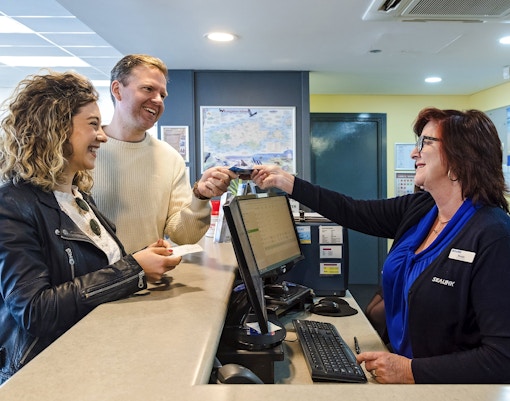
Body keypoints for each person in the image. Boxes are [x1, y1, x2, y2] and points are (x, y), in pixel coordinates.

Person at [251, 107, 510, 384]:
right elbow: (352, 210)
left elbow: (502, 358)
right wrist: (286, 182)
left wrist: (411, 371)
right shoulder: (422, 209)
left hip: (441, 388)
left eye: (425, 142)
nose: (414, 153)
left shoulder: (493, 236)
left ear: (462, 155)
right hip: (398, 373)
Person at [0, 71, 182, 384]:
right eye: (93, 125)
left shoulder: (77, 195)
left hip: (95, 354)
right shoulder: (12, 205)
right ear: (55, 128)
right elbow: (35, 311)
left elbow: (94, 272)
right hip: (47, 373)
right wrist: (133, 269)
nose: (102, 136)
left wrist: (138, 260)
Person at [92, 54, 236, 253]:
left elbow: (183, 236)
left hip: (149, 280)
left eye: (163, 95)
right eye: (148, 89)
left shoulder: (170, 158)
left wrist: (200, 196)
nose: (158, 100)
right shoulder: (85, 152)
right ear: (117, 90)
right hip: (95, 282)